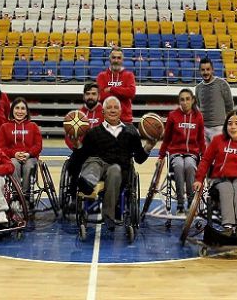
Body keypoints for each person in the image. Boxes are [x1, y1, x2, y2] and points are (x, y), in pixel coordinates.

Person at [76, 96, 157, 230]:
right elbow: (82, 156)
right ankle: (87, 183)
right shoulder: (93, 132)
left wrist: (148, 146)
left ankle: (109, 216)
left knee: (114, 170)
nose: (112, 110)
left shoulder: (131, 131)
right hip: (98, 165)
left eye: (115, 107)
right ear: (103, 111)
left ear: (120, 111)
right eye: (109, 107)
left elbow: (139, 159)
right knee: (94, 162)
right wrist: (76, 144)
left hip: (119, 169)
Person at [156, 88, 205, 214]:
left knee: (189, 165)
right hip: (175, 153)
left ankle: (191, 202)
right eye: (182, 100)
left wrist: (205, 157)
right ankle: (180, 204)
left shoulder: (198, 117)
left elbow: (201, 140)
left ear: (193, 100)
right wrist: (161, 156)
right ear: (179, 101)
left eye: (187, 99)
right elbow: (166, 139)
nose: (185, 102)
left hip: (192, 154)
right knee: (178, 166)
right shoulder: (173, 116)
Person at [64, 83, 105, 202]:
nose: (90, 97)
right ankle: (73, 197)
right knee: (72, 165)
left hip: (100, 154)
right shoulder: (76, 115)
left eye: (93, 94)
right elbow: (68, 136)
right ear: (83, 97)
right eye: (87, 94)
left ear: (99, 96)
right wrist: (76, 145)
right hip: (81, 151)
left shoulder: (105, 114)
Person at [0, 97, 43, 202]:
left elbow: (38, 145)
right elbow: (1, 148)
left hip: (29, 157)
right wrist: (14, 153)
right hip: (12, 157)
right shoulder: (4, 127)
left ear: (27, 112)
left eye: (23, 108)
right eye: (17, 108)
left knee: (29, 165)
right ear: (12, 110)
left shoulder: (33, 126)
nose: (20, 111)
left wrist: (28, 154)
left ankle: (25, 195)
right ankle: (16, 194)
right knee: (13, 164)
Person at [195, 57, 234, 145]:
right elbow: (199, 106)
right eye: (203, 70)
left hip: (219, 128)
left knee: (219, 157)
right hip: (204, 129)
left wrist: (228, 126)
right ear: (199, 71)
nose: (205, 72)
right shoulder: (198, 88)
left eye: (208, 69)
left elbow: (229, 106)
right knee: (205, 157)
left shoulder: (222, 84)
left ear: (212, 70)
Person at [96, 47, 136, 123]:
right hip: (105, 121)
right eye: (113, 57)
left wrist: (111, 89)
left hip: (125, 120)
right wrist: (123, 92)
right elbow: (101, 96)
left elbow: (131, 93)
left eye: (119, 58)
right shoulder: (101, 76)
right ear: (109, 59)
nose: (116, 60)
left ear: (122, 60)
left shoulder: (129, 75)